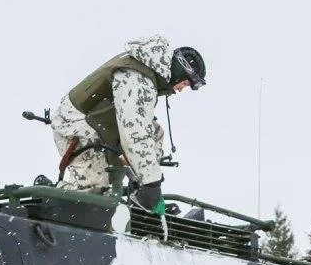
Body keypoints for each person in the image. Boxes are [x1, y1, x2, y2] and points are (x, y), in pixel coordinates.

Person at [51, 36, 206, 212]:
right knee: (93, 197)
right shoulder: (137, 80)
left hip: (101, 125)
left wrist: (142, 181)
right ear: (179, 71)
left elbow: (143, 130)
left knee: (154, 133)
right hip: (77, 126)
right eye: (184, 83)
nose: (180, 89)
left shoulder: (146, 75)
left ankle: (140, 197)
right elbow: (135, 133)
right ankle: (51, 196)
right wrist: (152, 183)